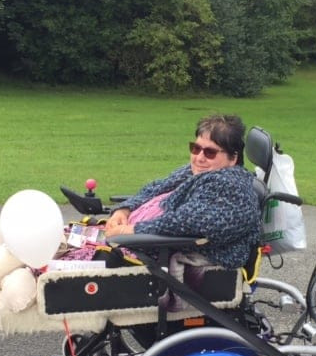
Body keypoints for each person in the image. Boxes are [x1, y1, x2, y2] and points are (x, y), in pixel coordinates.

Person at [102, 114, 261, 270]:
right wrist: (124, 210)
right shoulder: (196, 172)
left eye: (209, 152)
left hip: (164, 253)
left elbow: (188, 222)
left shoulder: (231, 186)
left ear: (232, 158)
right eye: (196, 148)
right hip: (136, 241)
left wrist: (129, 231)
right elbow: (154, 188)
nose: (199, 158)